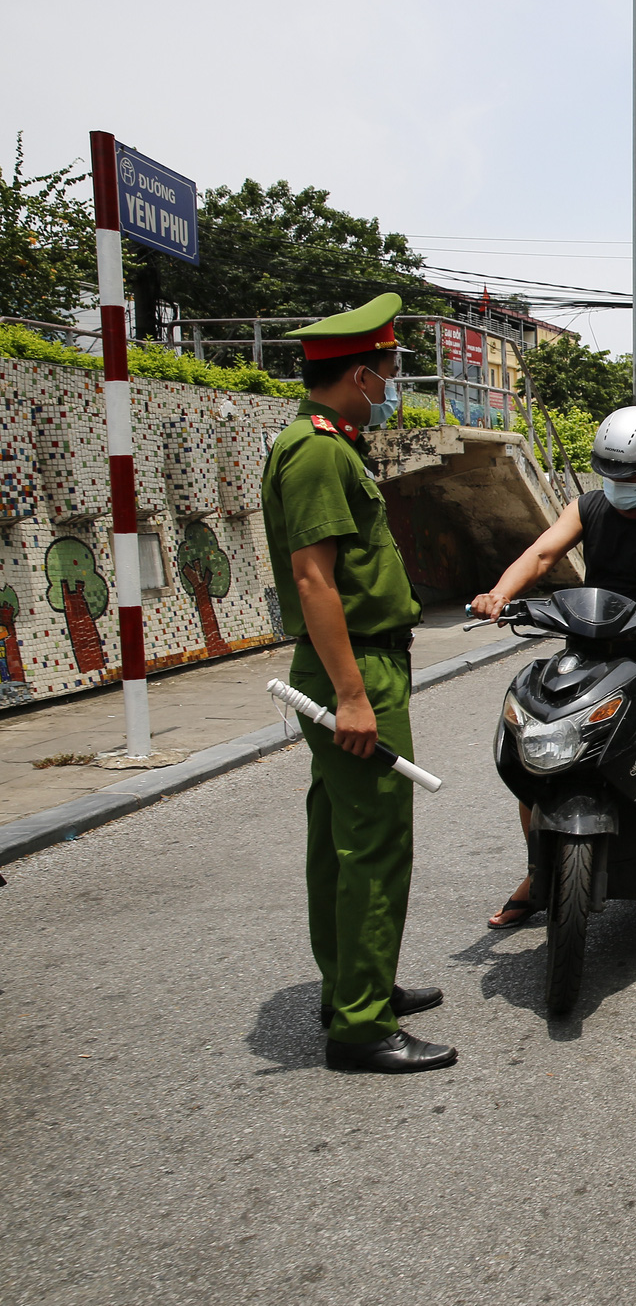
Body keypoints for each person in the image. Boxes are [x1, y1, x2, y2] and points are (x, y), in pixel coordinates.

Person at [262, 292, 453, 1074]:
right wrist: (350, 692)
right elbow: (315, 580)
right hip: (356, 666)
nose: (391, 385)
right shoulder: (316, 451)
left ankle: (354, 985)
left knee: (339, 841)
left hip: (362, 660)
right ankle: (361, 1026)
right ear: (361, 374)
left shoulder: (327, 443)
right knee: (373, 846)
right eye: (387, 372)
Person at [471, 406, 636, 928]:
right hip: (593, 650)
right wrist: (500, 594)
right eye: (609, 472)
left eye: (630, 473)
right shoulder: (588, 507)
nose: (617, 483)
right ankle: (538, 867)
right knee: (534, 751)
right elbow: (542, 555)